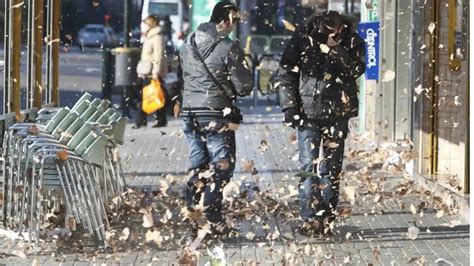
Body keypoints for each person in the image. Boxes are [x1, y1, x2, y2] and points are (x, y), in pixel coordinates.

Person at [278, 11, 365, 235]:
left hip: (337, 113)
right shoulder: (302, 38)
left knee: (331, 168)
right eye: (326, 28)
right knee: (308, 167)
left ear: (342, 27)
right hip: (307, 113)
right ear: (318, 24)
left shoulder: (352, 40)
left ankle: (325, 217)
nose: (330, 31)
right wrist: (289, 107)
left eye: (335, 28)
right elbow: (286, 72)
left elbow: (356, 70)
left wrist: (335, 47)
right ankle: (309, 218)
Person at [178, 2, 253, 235]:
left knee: (197, 164)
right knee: (222, 164)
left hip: (190, 111)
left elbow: (185, 74)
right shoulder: (229, 47)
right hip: (216, 112)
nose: (235, 26)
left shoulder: (188, 42)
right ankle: (211, 213)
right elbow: (244, 86)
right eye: (234, 20)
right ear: (225, 20)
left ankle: (193, 212)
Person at [134, 15, 169, 129]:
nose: (142, 26)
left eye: (145, 24)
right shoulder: (149, 36)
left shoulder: (157, 37)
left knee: (152, 96)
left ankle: (142, 121)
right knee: (151, 96)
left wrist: (156, 72)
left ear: (150, 24)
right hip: (146, 71)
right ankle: (158, 120)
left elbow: (158, 56)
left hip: (153, 72)